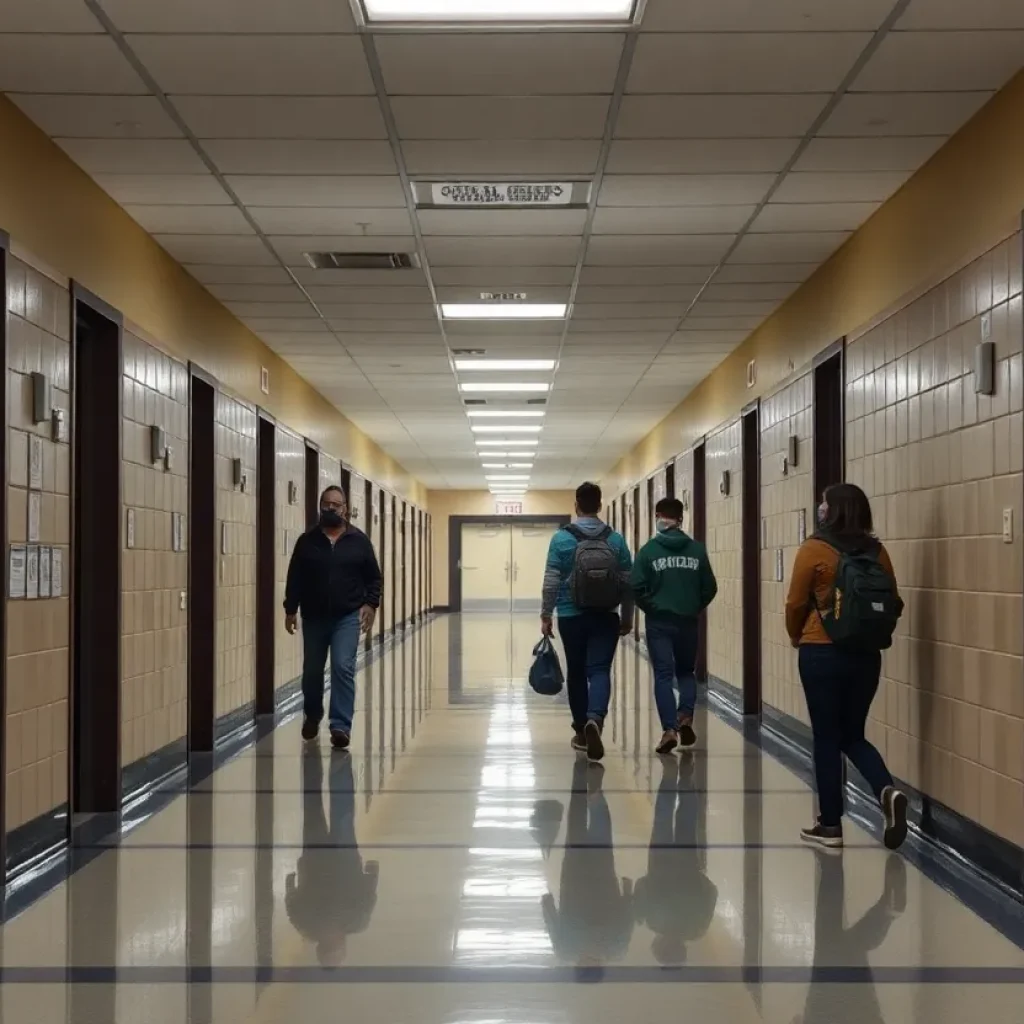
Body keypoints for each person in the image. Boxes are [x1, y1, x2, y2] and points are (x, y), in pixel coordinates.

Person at [785, 482, 908, 850]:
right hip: (866, 655)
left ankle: (829, 826)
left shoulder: (813, 549)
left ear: (833, 510)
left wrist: (796, 635)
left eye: (823, 503)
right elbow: (894, 601)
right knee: (852, 734)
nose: (820, 507)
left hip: (820, 652)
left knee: (826, 737)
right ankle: (885, 789)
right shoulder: (877, 551)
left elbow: (794, 603)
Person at [541, 482, 633, 762]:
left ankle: (581, 730)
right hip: (606, 615)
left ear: (576, 505)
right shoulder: (615, 540)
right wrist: (627, 618)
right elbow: (629, 583)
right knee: (600, 670)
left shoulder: (561, 539)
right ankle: (596, 719)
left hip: (571, 616)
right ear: (600, 505)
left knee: (577, 672)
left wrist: (546, 614)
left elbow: (551, 580)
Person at [284, 485, 382, 748]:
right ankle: (313, 715)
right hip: (314, 616)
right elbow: (295, 577)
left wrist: (371, 604)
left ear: (345, 509)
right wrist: (290, 609)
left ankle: (340, 726)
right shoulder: (307, 541)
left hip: (347, 616)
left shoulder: (359, 541)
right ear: (320, 506)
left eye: (335, 505)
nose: (330, 508)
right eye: (326, 503)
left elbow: (374, 577)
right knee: (312, 672)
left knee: (342, 666)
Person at [630, 497, 717, 754]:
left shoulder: (648, 551)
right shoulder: (696, 550)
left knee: (663, 675)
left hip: (659, 623)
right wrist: (693, 606)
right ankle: (685, 716)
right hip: (688, 621)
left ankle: (669, 730)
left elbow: (635, 586)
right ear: (681, 518)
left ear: (658, 516)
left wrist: (652, 607)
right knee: (686, 672)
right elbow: (710, 587)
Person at [285, 745, 380, 965]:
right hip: (314, 858)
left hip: (345, 858)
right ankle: (311, 754)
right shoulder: (305, 925)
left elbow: (369, 891)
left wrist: (372, 871)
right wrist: (291, 881)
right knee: (312, 807)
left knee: (342, 811)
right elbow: (291, 898)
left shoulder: (357, 921)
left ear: (341, 946)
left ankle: (340, 761)